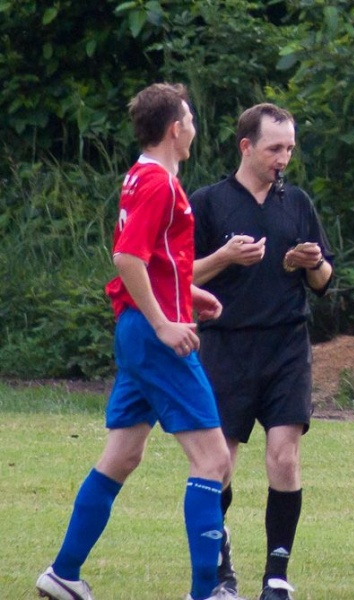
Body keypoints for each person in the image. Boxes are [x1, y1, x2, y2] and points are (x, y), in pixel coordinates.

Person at [36, 83, 233, 600]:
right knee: (213, 461)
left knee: (122, 456)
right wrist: (167, 323)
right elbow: (127, 258)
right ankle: (204, 592)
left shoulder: (144, 178)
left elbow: (151, 261)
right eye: (189, 119)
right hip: (153, 336)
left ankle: (63, 574)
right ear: (175, 128)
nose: (193, 127)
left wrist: (186, 294)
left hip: (139, 330)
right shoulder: (160, 184)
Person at [190, 103, 333, 600]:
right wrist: (224, 257)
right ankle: (220, 555)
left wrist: (309, 262)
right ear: (246, 146)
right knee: (217, 464)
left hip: (286, 345)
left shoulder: (296, 203)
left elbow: (324, 280)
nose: (284, 158)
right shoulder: (207, 203)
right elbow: (179, 276)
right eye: (275, 147)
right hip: (225, 345)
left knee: (284, 457)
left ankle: (277, 574)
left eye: (290, 148)